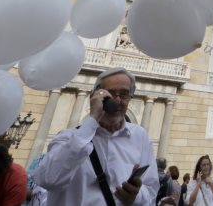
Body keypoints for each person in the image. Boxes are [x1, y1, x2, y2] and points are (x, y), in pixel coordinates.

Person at [32, 67, 159, 206]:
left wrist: (136, 196)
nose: (117, 100)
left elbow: (151, 189)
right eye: (110, 93)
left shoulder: (140, 136)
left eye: (124, 94)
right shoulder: (67, 138)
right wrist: (92, 119)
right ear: (95, 96)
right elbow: (47, 179)